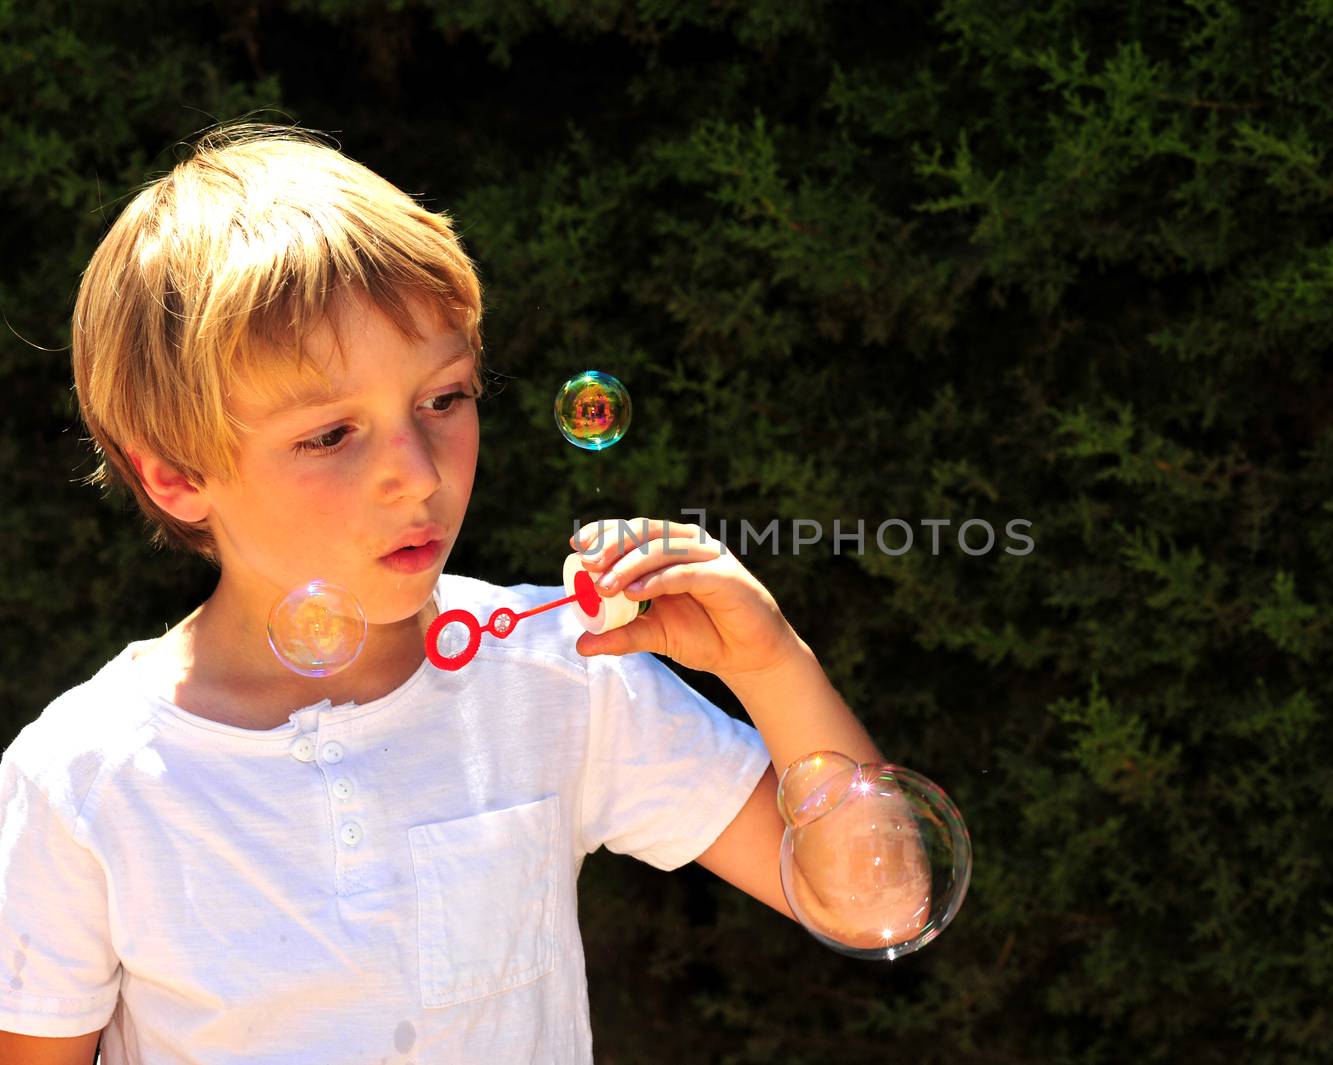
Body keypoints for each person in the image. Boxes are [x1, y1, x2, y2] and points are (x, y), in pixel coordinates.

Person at [0, 125, 885, 1064]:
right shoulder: (84, 781)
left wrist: (768, 662)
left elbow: (875, 901)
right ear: (177, 475)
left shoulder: (564, 676)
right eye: (332, 433)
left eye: (445, 399)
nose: (416, 475)